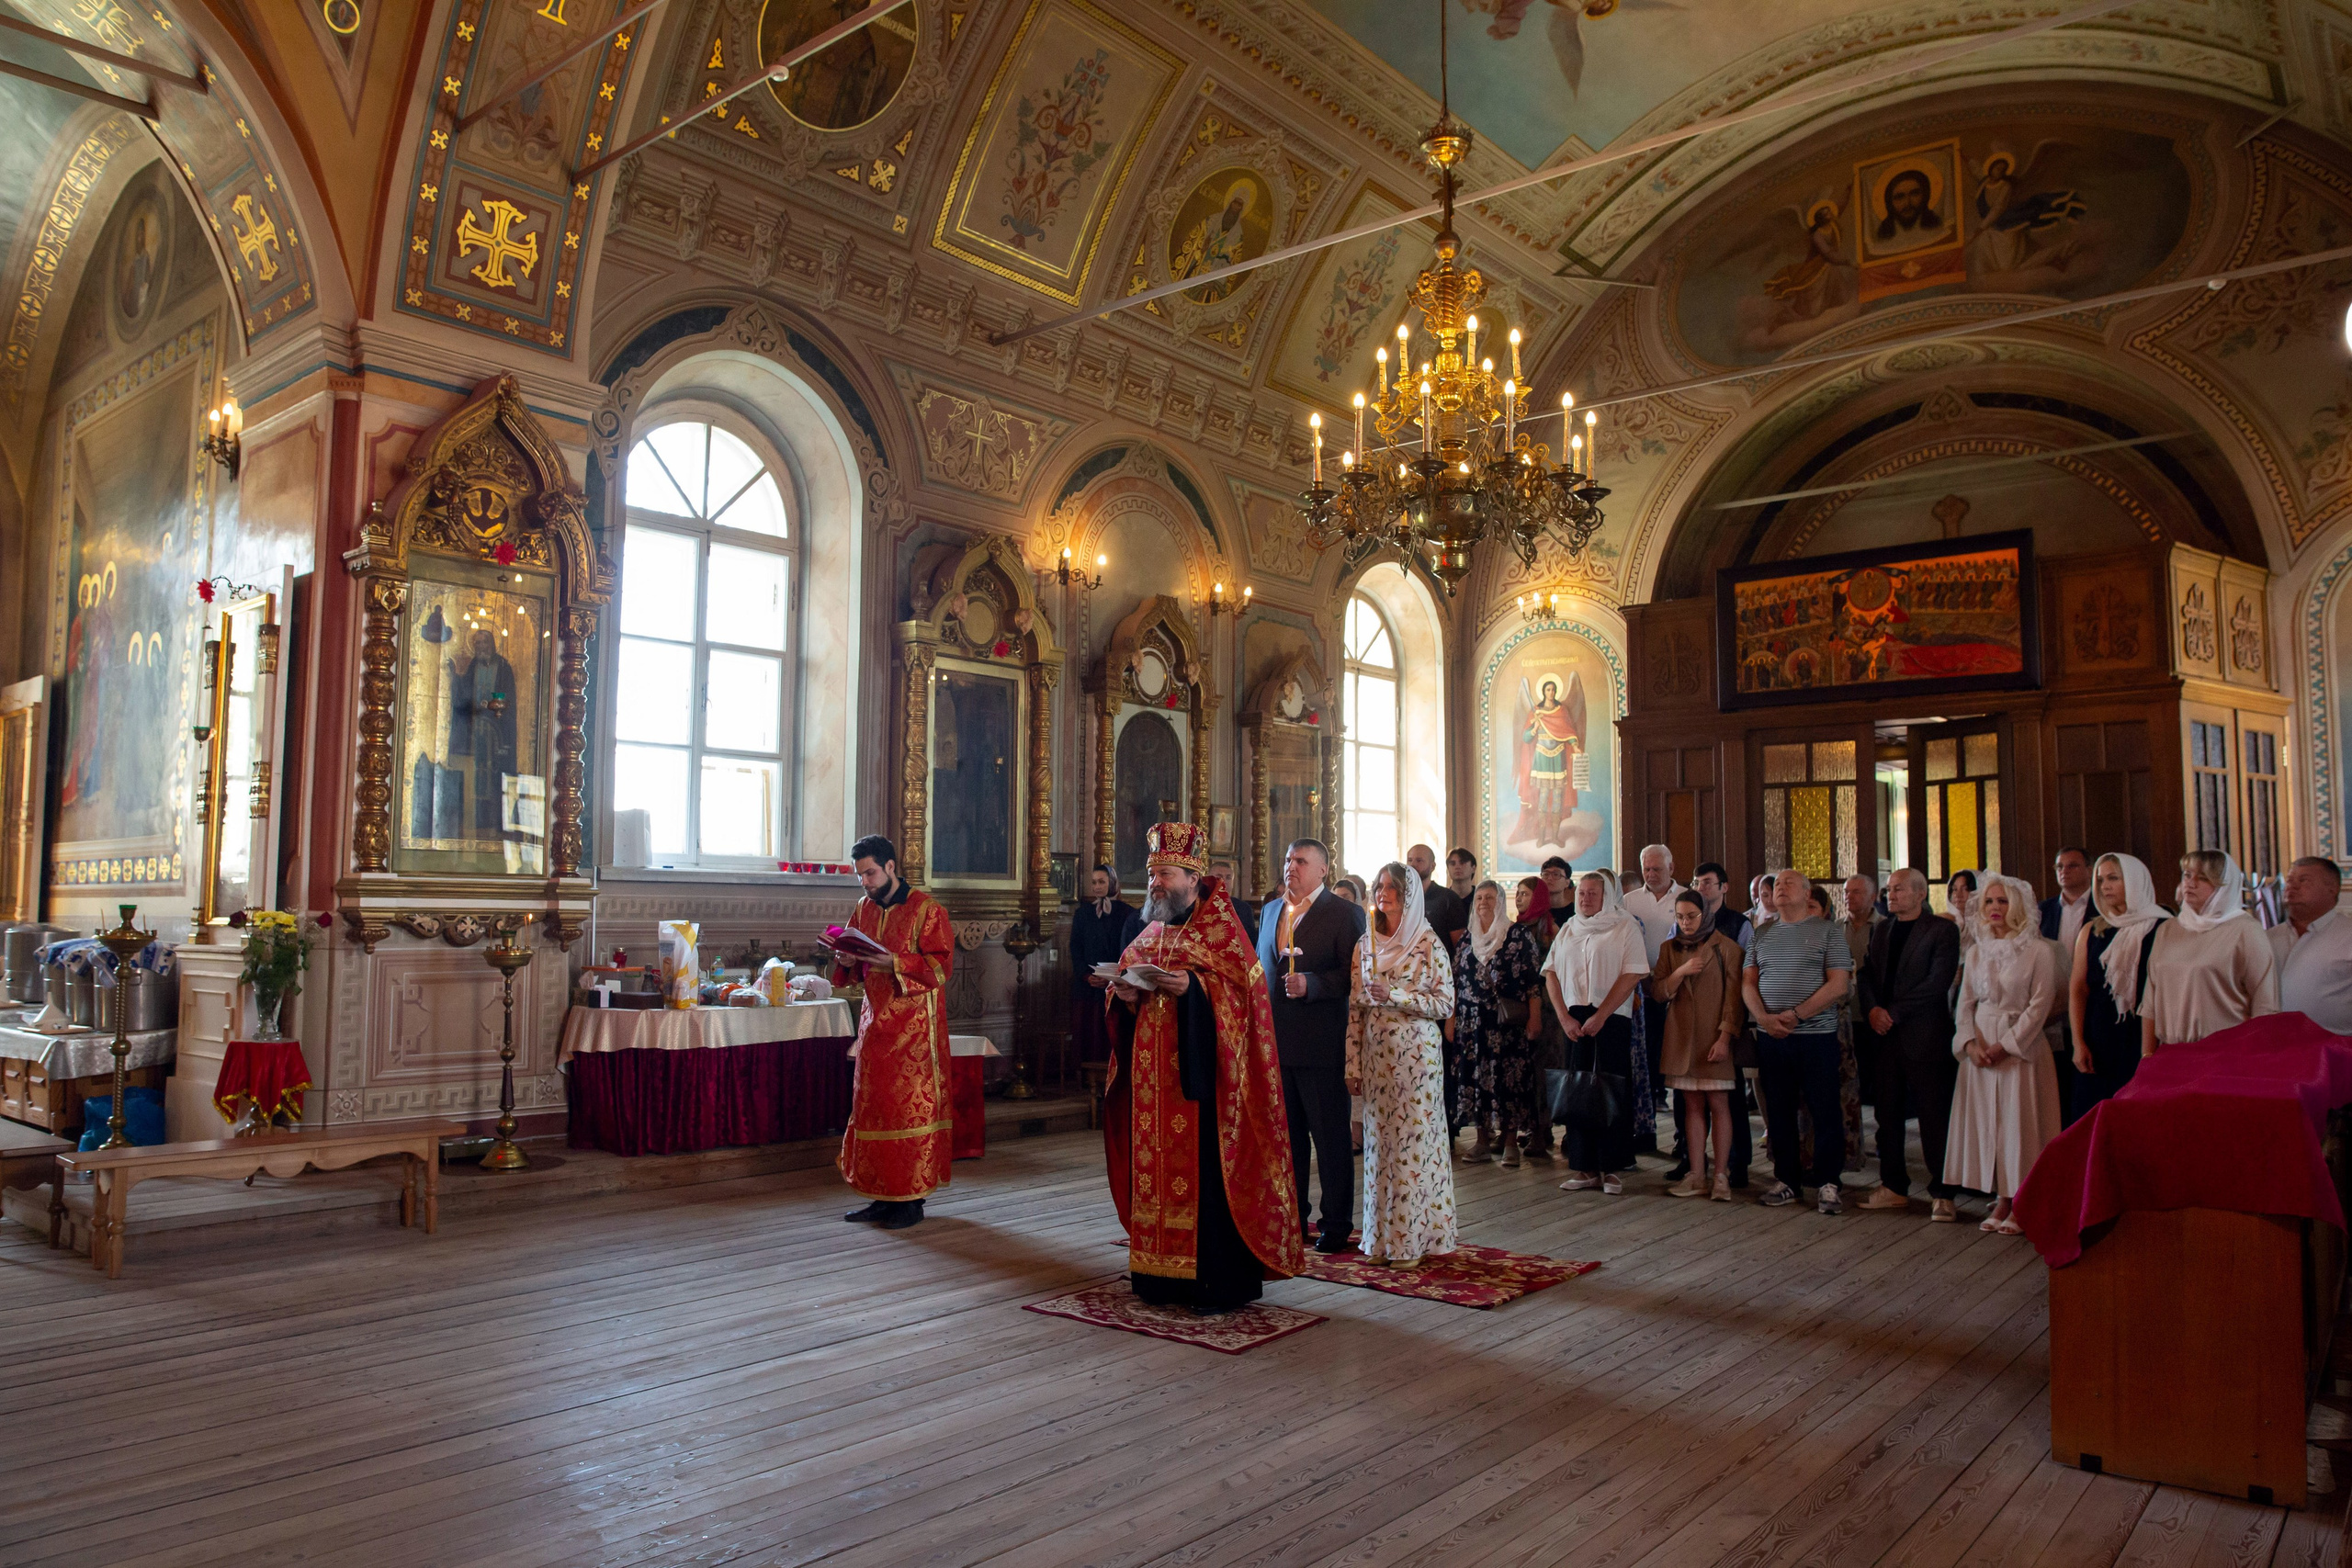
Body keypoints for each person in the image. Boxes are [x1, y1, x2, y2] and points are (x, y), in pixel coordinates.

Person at [1103, 822, 1302, 1311]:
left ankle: (1212, 1281)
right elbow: (1127, 990)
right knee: (1153, 1174)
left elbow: (1246, 1002)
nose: (1156, 884)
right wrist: (1124, 994)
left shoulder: (1222, 931)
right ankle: (1159, 1277)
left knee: (1206, 1180)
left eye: (1165, 874)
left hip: (1204, 1086)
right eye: (1152, 875)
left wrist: (1194, 989)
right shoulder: (1149, 931)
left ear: (1193, 878)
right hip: (1151, 1086)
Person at [831, 834, 955, 1230]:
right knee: (874, 1106)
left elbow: (940, 967)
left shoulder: (926, 910)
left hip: (915, 1030)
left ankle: (911, 1200)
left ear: (890, 867)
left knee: (906, 1109)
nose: (865, 882)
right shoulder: (863, 908)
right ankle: (881, 1195)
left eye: (869, 873)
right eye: (859, 875)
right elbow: (852, 961)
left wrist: (894, 961)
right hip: (874, 1024)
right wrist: (846, 958)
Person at [1345, 863, 1458, 1267]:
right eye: (1379, 885)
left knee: (1413, 1149)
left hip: (1417, 1062)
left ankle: (1413, 1242)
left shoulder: (1428, 943)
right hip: (1377, 1060)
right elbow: (1356, 1009)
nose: (1383, 892)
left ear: (1409, 896)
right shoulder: (1366, 944)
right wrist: (1352, 1065)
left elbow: (1445, 1004)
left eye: (1392, 887)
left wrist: (1396, 994)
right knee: (1380, 1150)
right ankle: (1381, 1241)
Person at [1256, 837, 1365, 1254]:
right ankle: (1292, 1217)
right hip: (1277, 1046)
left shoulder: (1344, 914)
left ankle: (1336, 1225)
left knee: (1330, 1138)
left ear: (1323, 869)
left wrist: (1313, 984)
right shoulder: (1269, 912)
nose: (1291, 867)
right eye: (1287, 859)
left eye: (1301, 860)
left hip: (1321, 1045)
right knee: (1287, 1140)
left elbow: (1352, 976)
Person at [1946, 873, 2063, 1235]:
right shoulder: (1977, 950)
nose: (1994, 908)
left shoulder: (2039, 950)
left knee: (2020, 1125)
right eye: (1989, 902)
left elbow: (2041, 1005)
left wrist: (2005, 1045)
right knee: (1991, 1125)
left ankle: (2022, 1199)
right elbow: (1964, 1003)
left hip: (2019, 1048)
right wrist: (1969, 1044)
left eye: (2002, 901)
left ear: (2018, 906)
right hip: (1981, 1046)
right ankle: (2001, 1197)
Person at [1743, 865, 1853, 1214]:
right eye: (1775, 883)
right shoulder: (1761, 934)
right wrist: (1762, 1017)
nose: (1780, 887)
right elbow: (1748, 982)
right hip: (1771, 1036)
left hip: (1815, 1036)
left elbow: (1839, 984)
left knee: (1824, 1110)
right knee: (1778, 1111)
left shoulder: (1827, 932)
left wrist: (1797, 1014)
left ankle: (1828, 1182)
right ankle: (1787, 1179)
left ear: (1808, 894)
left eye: (1790, 883)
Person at [1856, 868, 1962, 1219]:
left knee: (1933, 1117)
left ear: (1920, 894)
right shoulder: (1882, 929)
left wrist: (1893, 1013)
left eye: (1899, 889)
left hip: (1925, 1036)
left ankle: (1942, 1192)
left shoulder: (1942, 930)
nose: (1891, 895)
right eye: (1888, 890)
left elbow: (1938, 981)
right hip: (1884, 1038)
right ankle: (1893, 1185)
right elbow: (1867, 973)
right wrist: (1872, 1010)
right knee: (1887, 1114)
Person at [1544, 870, 1649, 1193]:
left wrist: (1602, 1015)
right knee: (1578, 1089)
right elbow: (1550, 974)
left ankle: (1613, 1167)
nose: (1586, 898)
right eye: (1582, 893)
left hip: (1612, 1016)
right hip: (1574, 1018)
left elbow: (1632, 974)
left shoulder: (1625, 926)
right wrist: (1564, 1018)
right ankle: (1584, 1167)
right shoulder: (1568, 929)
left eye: (1593, 893)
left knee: (1610, 1088)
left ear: (1607, 897)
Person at [1651, 890, 1746, 1200]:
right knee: (1691, 1106)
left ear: (1704, 913)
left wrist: (1724, 1037)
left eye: (1691, 916)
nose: (1686, 923)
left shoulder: (1727, 948)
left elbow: (1734, 1000)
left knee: (1719, 1104)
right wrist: (1680, 972)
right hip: (1681, 1038)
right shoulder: (1669, 948)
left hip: (1713, 1038)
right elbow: (1658, 992)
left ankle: (1721, 1175)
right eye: (1679, 917)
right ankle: (1696, 1174)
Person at [2143, 852, 2279, 1050]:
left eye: (2203, 878)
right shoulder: (2168, 929)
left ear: (2224, 885)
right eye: (2187, 875)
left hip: (2225, 1052)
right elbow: (2150, 1001)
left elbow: (2265, 1004)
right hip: (2171, 1051)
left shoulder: (2245, 930)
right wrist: (2147, 1055)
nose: (2190, 883)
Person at [2067, 852, 2168, 1118]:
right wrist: (2078, 1042)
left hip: (2144, 1035)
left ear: (2135, 881)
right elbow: (2078, 989)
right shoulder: (2092, 930)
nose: (2105, 886)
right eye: (2100, 880)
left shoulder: (2163, 926)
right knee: (2092, 1117)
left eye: (2113, 878)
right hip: (2098, 1037)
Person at [1452, 879, 1544, 1167]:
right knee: (1475, 1080)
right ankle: (1481, 1140)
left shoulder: (1516, 935)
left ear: (1501, 902)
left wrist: (1535, 1017)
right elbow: (1454, 983)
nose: (1483, 903)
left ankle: (1509, 1142)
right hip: (1471, 1023)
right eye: (1479, 898)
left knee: (1510, 1080)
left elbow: (1533, 982)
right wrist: (1451, 1020)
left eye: (1490, 898)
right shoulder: (1467, 939)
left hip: (1506, 1022)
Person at [1514, 873, 1566, 1161]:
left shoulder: (1550, 929)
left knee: (1544, 1071)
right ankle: (1533, 1127)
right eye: (1518, 893)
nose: (1520, 898)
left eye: (1525, 893)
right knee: (1524, 1071)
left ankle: (1542, 1128)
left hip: (1546, 1008)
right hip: (1520, 1007)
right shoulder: (1516, 928)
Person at [1069, 865, 1142, 1067]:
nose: (1097, 887)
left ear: (1112, 883)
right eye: (1094, 882)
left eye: (1102, 882)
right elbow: (1075, 947)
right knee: (1088, 1030)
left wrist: (1113, 976)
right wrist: (1086, 975)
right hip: (1088, 984)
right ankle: (1085, 1074)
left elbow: (1129, 949)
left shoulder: (1127, 913)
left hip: (1116, 983)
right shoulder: (1083, 914)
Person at [2040, 846, 2094, 1120]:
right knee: (2058, 1084)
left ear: (2089, 870)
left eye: (2072, 866)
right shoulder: (2043, 910)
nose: (2064, 871)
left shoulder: (2102, 906)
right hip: (2052, 1007)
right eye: (2060, 867)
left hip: (2091, 1004)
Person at [2270, 856, 2352, 1033]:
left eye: (2304, 880)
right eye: (2289, 880)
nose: (2292, 886)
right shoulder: (2268, 937)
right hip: (2274, 1045)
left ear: (2332, 889)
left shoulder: (2348, 935)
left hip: (2336, 1050)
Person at [1409, 845, 1469, 952]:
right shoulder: (1402, 898)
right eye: (1410, 860)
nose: (1413, 865)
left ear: (1432, 866)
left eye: (1419, 860)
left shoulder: (1448, 898)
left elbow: (1460, 946)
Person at [1695, 862, 1752, 953]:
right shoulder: (1685, 921)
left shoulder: (1739, 923)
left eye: (1707, 883)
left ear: (1724, 887)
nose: (1699, 888)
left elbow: (1749, 961)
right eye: (1696, 883)